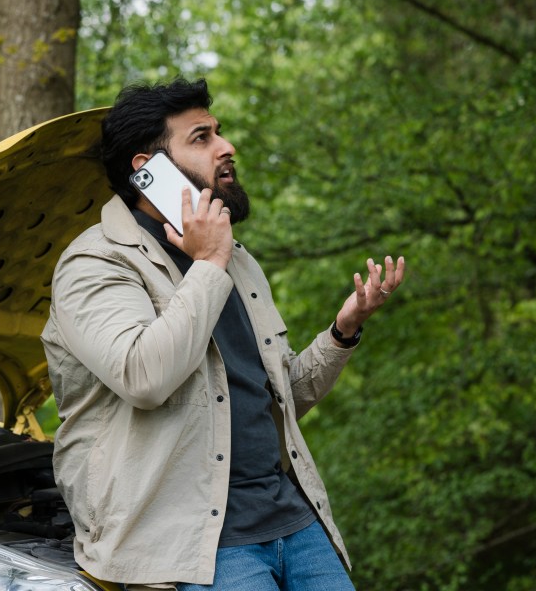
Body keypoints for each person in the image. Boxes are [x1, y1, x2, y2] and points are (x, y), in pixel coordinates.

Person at [41, 78, 405, 590]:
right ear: (148, 173)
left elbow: (278, 399)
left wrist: (342, 332)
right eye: (201, 137)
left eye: (219, 132)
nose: (225, 147)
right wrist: (209, 263)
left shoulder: (236, 260)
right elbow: (145, 378)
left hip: (292, 520)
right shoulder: (94, 263)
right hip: (192, 544)